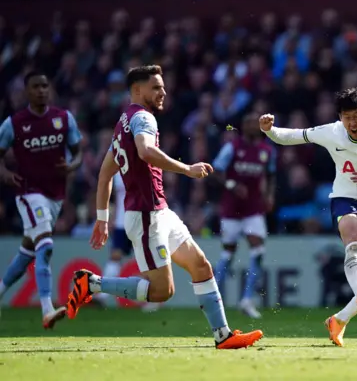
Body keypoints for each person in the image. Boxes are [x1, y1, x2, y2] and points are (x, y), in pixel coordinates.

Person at [65, 65, 263, 349]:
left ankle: (223, 336)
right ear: (137, 90)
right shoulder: (144, 118)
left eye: (163, 86)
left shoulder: (124, 122)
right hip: (145, 216)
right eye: (156, 87)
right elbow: (145, 152)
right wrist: (187, 168)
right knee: (161, 291)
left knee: (200, 265)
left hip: (159, 212)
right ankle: (92, 284)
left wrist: (102, 218)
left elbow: (105, 173)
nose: (163, 92)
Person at [259, 87, 357, 347]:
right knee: (355, 242)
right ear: (340, 117)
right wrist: (270, 130)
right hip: (346, 199)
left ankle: (339, 319)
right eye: (347, 117)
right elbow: (294, 136)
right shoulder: (333, 131)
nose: (352, 123)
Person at [0, 71, 83, 329]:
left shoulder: (63, 119)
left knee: (27, 252)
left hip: (55, 196)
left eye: (45, 86)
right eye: (36, 87)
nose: (41, 91)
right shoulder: (13, 123)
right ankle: (47, 309)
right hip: (28, 193)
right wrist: (4, 173)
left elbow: (78, 152)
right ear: (27, 91)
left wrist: (70, 167)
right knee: (45, 246)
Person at [212, 112, 276, 319]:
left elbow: (271, 174)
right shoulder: (232, 147)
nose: (250, 126)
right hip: (231, 209)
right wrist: (231, 184)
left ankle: (247, 300)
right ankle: (216, 298)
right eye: (247, 123)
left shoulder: (266, 150)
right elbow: (216, 171)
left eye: (253, 123)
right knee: (228, 252)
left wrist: (269, 195)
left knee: (259, 248)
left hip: (253, 209)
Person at [93, 172, 161, 312]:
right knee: (115, 256)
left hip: (139, 221)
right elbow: (115, 197)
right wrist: (110, 217)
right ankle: (103, 295)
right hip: (121, 222)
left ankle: (155, 298)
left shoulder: (142, 164)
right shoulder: (117, 169)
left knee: (145, 261)